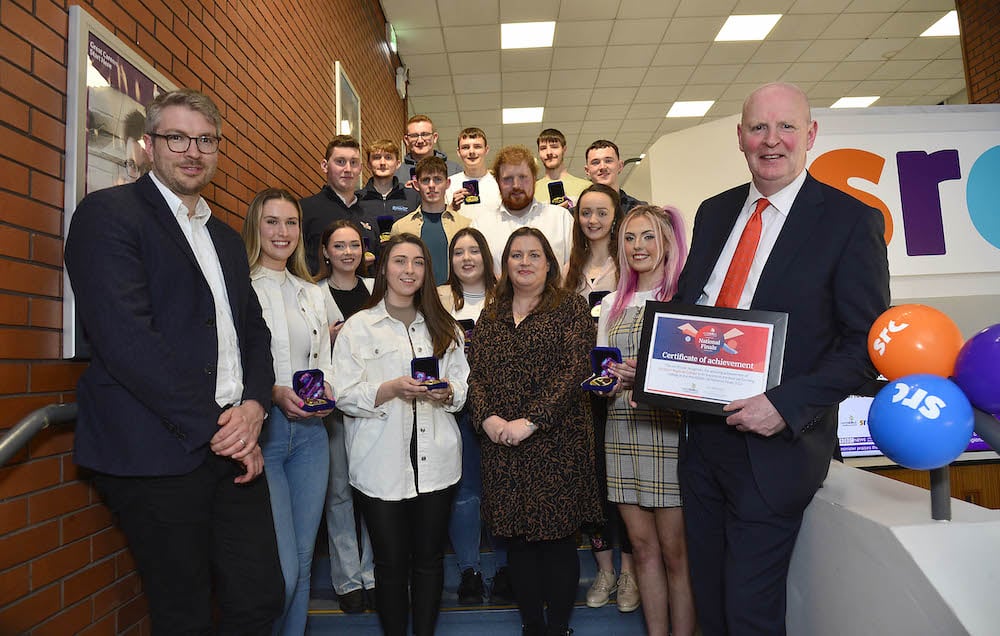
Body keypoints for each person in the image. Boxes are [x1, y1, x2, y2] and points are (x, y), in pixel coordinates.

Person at [64, 88, 283, 634]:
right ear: (149, 145)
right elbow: (127, 342)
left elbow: (254, 335)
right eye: (177, 138)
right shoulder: (107, 215)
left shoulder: (226, 238)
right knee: (183, 611)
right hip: (157, 451)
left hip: (233, 443)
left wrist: (255, 406)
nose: (193, 151)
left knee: (259, 597)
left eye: (205, 140)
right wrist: (221, 429)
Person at [675, 82, 891, 635]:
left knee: (751, 613)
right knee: (712, 606)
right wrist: (656, 363)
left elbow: (863, 345)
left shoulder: (849, 221)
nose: (772, 141)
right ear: (740, 137)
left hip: (774, 452)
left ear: (811, 135)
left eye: (786, 127)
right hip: (702, 443)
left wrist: (783, 405)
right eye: (759, 128)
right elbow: (693, 310)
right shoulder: (715, 212)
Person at [332, 233, 469, 636]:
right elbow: (341, 392)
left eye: (418, 263)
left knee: (428, 559)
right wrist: (389, 388)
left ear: (427, 271)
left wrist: (448, 392)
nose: (409, 270)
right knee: (390, 563)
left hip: (437, 463)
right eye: (399, 261)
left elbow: (462, 386)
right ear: (383, 269)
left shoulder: (444, 326)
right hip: (380, 465)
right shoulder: (359, 327)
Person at [469, 227, 602, 636]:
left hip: (556, 442)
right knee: (519, 542)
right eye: (516, 255)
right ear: (505, 264)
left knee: (558, 540)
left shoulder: (571, 308)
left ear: (550, 263)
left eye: (534, 255)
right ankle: (532, 626)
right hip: (503, 445)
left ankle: (558, 626)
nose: (524, 263)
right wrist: (488, 419)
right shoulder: (490, 315)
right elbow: (473, 375)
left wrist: (530, 422)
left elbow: (575, 370)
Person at [596, 205, 695, 636]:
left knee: (676, 553)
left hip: (668, 431)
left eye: (648, 237)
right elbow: (603, 368)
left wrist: (648, 376)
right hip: (621, 429)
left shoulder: (687, 300)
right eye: (631, 239)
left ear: (668, 241)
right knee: (641, 547)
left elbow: (697, 377)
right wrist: (603, 383)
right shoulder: (611, 304)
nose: (639, 247)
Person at [241, 188, 336, 635]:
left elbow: (324, 361)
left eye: (291, 223)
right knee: (283, 564)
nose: (283, 232)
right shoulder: (239, 286)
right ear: (256, 227)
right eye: (273, 222)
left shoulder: (311, 292)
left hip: (313, 434)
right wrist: (275, 392)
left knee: (301, 555)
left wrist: (328, 391)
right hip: (265, 432)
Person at [563, 184, 637, 612]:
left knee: (621, 481)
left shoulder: (627, 265)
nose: (592, 220)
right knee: (591, 484)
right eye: (585, 212)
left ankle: (628, 572)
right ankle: (604, 569)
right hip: (581, 395)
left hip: (620, 392)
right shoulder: (569, 270)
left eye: (601, 212)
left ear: (615, 216)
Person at [436, 228, 513, 605]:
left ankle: (504, 569)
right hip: (455, 410)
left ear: (485, 256)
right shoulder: (437, 300)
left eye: (473, 251)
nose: (466, 258)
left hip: (501, 409)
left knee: (500, 487)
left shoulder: (507, 298)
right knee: (465, 493)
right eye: (458, 252)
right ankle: (469, 570)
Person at [316, 219, 377, 613]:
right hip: (334, 408)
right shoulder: (313, 294)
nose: (347, 252)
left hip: (374, 404)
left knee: (374, 490)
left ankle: (374, 576)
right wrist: (328, 336)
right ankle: (348, 580)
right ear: (325, 251)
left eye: (354, 245)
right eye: (339, 246)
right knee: (339, 493)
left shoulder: (376, 290)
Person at [471, 145, 574, 272]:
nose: (516, 185)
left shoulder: (561, 219)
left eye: (523, 177)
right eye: (508, 179)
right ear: (498, 182)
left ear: (534, 178)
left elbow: (574, 267)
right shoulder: (480, 226)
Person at [301, 135, 379, 275]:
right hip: (316, 294)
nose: (348, 169)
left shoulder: (370, 218)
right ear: (325, 166)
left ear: (360, 168)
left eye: (353, 162)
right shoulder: (304, 210)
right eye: (340, 162)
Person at [391, 156, 471, 286]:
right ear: (416, 185)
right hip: (414, 300)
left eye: (438, 179)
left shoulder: (465, 225)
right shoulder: (401, 227)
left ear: (448, 183)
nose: (432, 186)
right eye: (425, 180)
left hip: (454, 300)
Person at [445, 127, 502, 219]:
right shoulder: (448, 184)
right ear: (458, 152)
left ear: (486, 150)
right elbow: (443, 222)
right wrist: (452, 208)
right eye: (465, 147)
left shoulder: (500, 182)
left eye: (477, 146)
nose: (471, 151)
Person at [358, 138, 420, 222]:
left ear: (398, 164)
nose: (382, 163)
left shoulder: (413, 197)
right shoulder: (358, 199)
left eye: (388, 157)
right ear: (369, 164)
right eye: (377, 157)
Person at [393, 114, 462, 184]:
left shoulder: (454, 170)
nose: (420, 141)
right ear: (407, 140)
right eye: (414, 136)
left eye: (425, 134)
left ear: (434, 138)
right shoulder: (396, 173)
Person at [583, 140, 646, 214]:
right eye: (596, 162)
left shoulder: (639, 211)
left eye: (608, 161)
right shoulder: (574, 215)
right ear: (587, 170)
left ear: (620, 166)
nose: (603, 167)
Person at [536, 128, 591, 209]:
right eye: (543, 148)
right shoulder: (532, 190)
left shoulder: (586, 187)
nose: (549, 152)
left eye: (554, 147)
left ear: (564, 149)